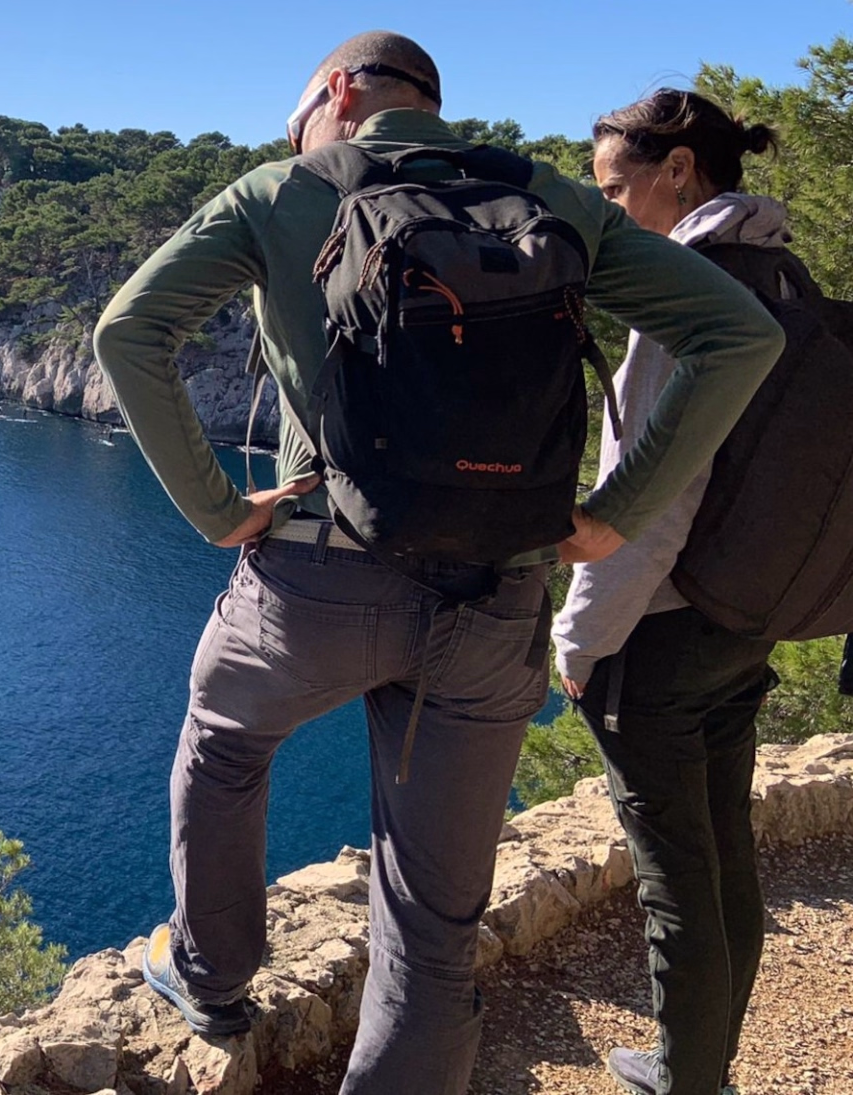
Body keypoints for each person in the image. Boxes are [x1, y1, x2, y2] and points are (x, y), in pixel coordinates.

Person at [92, 32, 786, 1094]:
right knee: (431, 913)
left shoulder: (281, 189)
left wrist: (220, 510)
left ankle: (211, 972)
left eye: (299, 116)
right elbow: (738, 333)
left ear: (336, 92)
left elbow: (130, 333)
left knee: (225, 743)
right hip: (497, 597)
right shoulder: (548, 199)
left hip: (316, 584)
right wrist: (614, 514)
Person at [553, 89, 788, 1095]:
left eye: (615, 189)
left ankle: (688, 1079)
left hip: (658, 635)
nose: (606, 214)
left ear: (680, 170)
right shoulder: (780, 274)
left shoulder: (682, 296)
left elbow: (645, 506)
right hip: (747, 613)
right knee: (726, 858)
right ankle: (708, 1062)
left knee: (675, 886)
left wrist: (576, 644)